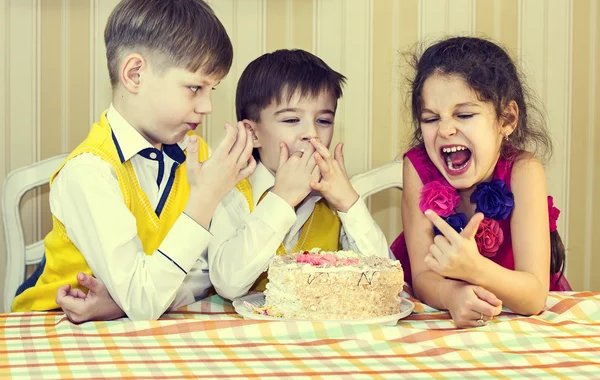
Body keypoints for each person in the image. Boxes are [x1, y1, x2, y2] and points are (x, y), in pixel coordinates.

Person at [11, 0, 256, 322]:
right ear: (134, 74)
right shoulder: (89, 173)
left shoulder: (197, 156)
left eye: (212, 90)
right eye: (195, 88)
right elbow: (143, 301)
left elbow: (208, 273)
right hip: (51, 332)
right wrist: (205, 198)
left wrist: (122, 303)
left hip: (144, 332)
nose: (207, 106)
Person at [390, 36, 571, 328]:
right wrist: (453, 296)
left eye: (464, 114)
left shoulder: (524, 172)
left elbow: (535, 295)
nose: (446, 129)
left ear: (507, 119)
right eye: (431, 118)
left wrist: (475, 269)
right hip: (438, 321)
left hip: (519, 324)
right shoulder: (417, 167)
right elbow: (423, 276)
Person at [208, 49, 391, 300]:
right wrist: (281, 201)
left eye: (324, 121)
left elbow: (384, 281)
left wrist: (349, 204)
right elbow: (228, 284)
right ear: (253, 134)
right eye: (292, 120)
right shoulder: (233, 193)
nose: (311, 133)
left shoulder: (334, 199)